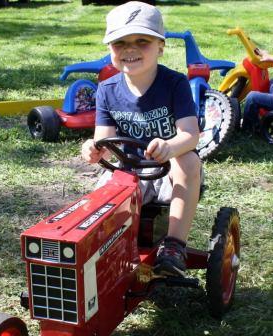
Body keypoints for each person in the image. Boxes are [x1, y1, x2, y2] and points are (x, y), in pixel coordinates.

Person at [81, 1, 201, 278]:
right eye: (120, 42)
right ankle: (105, 249)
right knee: (103, 191)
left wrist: (170, 146)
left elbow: (190, 135)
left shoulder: (174, 83)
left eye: (142, 41)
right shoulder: (107, 90)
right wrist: (92, 149)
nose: (130, 49)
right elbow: (104, 143)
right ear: (110, 49)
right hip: (130, 168)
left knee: (188, 159)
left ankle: (174, 246)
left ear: (161, 45)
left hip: (169, 170)